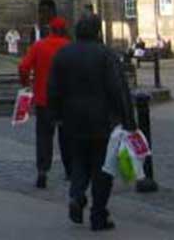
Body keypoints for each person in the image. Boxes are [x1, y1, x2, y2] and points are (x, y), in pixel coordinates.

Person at [47, 16, 132, 232]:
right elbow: (117, 89)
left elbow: (53, 88)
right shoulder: (105, 54)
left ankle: (76, 195)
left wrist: (55, 115)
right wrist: (127, 119)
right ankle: (98, 214)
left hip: (72, 120)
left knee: (79, 162)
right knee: (103, 167)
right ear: (97, 32)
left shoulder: (63, 54)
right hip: (102, 120)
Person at [18, 16, 72, 189]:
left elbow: (23, 67)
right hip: (66, 100)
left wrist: (26, 84)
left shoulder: (39, 46)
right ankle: (70, 171)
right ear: (64, 30)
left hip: (44, 99)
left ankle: (42, 171)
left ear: (50, 30)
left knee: (44, 137)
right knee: (67, 137)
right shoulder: (70, 47)